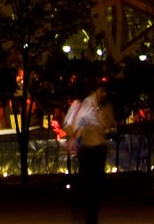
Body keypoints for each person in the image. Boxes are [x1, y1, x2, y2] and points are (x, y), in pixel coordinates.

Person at [64, 84, 115, 224]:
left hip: (99, 148)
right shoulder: (84, 105)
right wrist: (74, 135)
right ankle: (83, 209)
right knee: (87, 184)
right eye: (102, 90)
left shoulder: (105, 107)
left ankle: (91, 218)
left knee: (96, 187)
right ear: (96, 90)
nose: (104, 94)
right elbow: (74, 125)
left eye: (106, 91)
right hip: (87, 149)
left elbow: (109, 123)